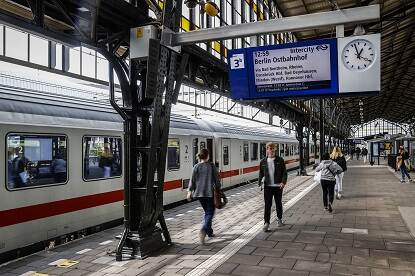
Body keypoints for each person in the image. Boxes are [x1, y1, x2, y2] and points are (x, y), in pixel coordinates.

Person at [187, 148, 221, 244]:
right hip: (209, 193)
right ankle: (203, 230)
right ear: (208, 156)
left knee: (207, 212)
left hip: (199, 194)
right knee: (210, 213)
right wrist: (218, 188)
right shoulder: (211, 166)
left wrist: (189, 191)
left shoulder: (196, 166)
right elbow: (217, 180)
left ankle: (209, 232)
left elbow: (192, 180)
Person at [258, 142, 288, 232]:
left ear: (275, 149)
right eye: (269, 148)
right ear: (267, 150)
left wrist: (283, 182)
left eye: (273, 148)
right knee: (268, 205)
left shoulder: (280, 160)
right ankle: (266, 223)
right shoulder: (263, 161)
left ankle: (279, 219)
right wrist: (260, 183)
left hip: (278, 186)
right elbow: (261, 173)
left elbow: (284, 173)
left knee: (278, 203)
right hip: (267, 187)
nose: (271, 150)